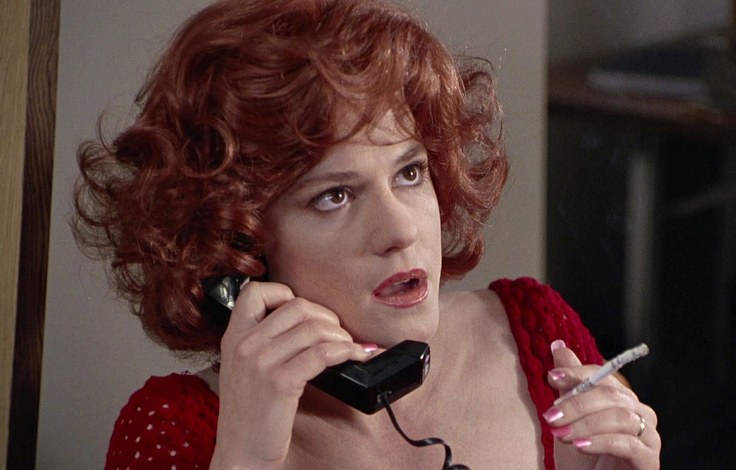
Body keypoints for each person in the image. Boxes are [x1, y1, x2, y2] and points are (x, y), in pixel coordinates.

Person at [73, 0, 661, 468]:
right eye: (334, 196)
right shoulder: (172, 429)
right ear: (241, 244)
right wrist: (244, 459)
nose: (400, 230)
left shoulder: (536, 333)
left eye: (410, 173)